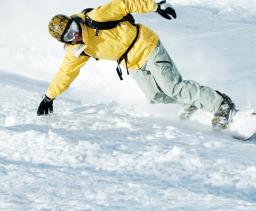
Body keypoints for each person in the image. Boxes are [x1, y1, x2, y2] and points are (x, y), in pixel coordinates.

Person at [37, 0, 236, 129]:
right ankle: (191, 101)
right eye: (70, 36)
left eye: (73, 28)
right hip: (132, 62)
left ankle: (221, 103)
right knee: (155, 97)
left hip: (146, 45)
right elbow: (66, 73)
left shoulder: (96, 18)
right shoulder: (78, 50)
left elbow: (125, 3)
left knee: (172, 87)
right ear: (66, 41)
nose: (76, 34)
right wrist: (49, 97)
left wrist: (156, 7)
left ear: (74, 21)